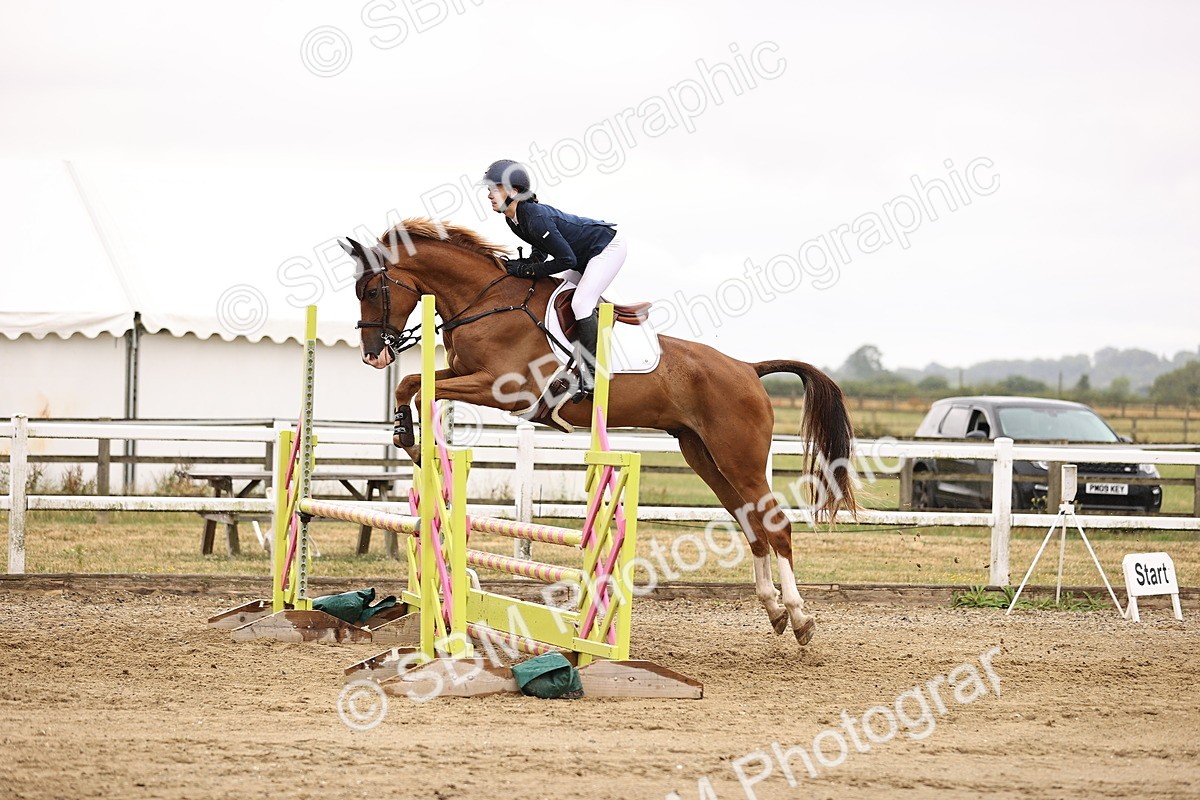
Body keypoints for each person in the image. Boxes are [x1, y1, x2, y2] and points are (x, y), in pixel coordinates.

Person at [481, 159, 626, 400]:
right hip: (582, 256)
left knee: (581, 303)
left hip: (606, 248)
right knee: (557, 297)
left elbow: (566, 260)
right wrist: (529, 262)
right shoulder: (513, 219)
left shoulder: (535, 217)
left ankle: (591, 376)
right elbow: (542, 248)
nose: (489, 196)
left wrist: (526, 271)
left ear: (514, 191)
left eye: (494, 189)